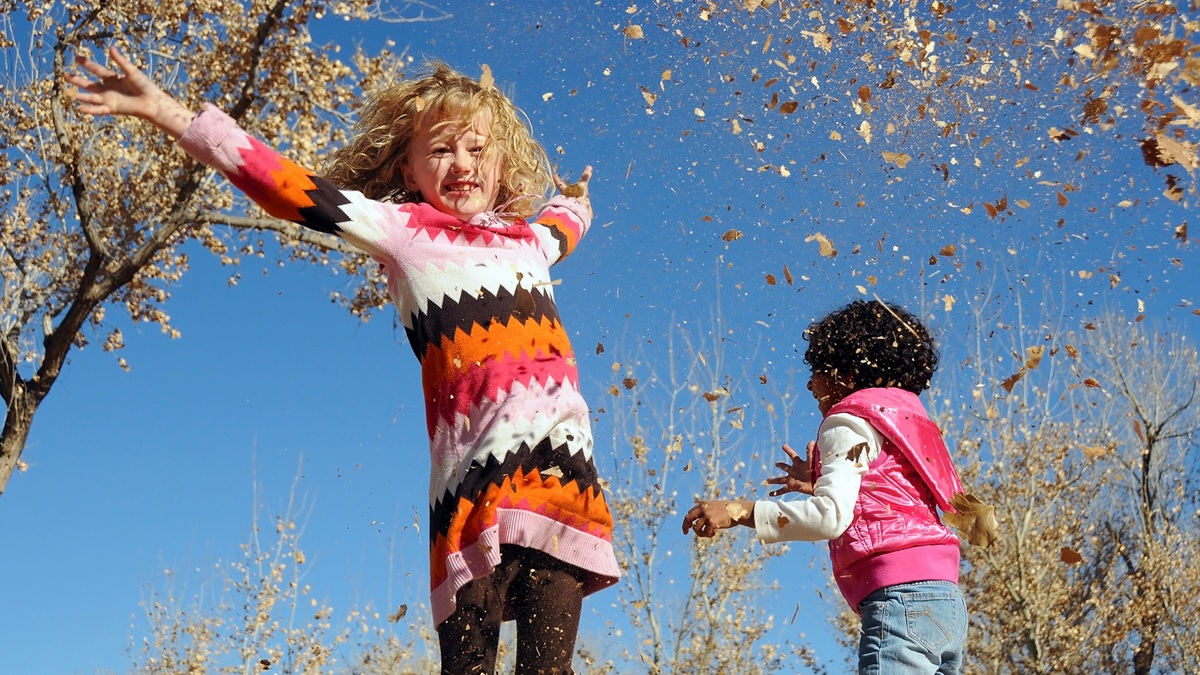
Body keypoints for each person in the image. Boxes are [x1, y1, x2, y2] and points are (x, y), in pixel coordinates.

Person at [68, 46, 620, 674]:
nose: (461, 163)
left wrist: (577, 200)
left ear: (500, 163)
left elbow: (563, 225)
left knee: (549, 667)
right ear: (409, 169)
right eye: (440, 149)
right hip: (470, 496)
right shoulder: (404, 232)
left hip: (559, 478)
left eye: (475, 148)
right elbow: (287, 188)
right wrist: (169, 112)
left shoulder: (529, 242)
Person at [682, 299, 995, 674]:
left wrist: (740, 511)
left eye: (817, 370)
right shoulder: (907, 418)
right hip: (944, 601)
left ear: (847, 372)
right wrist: (819, 481)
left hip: (899, 599)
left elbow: (831, 518)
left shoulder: (846, 419)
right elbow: (890, 495)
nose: (811, 383)